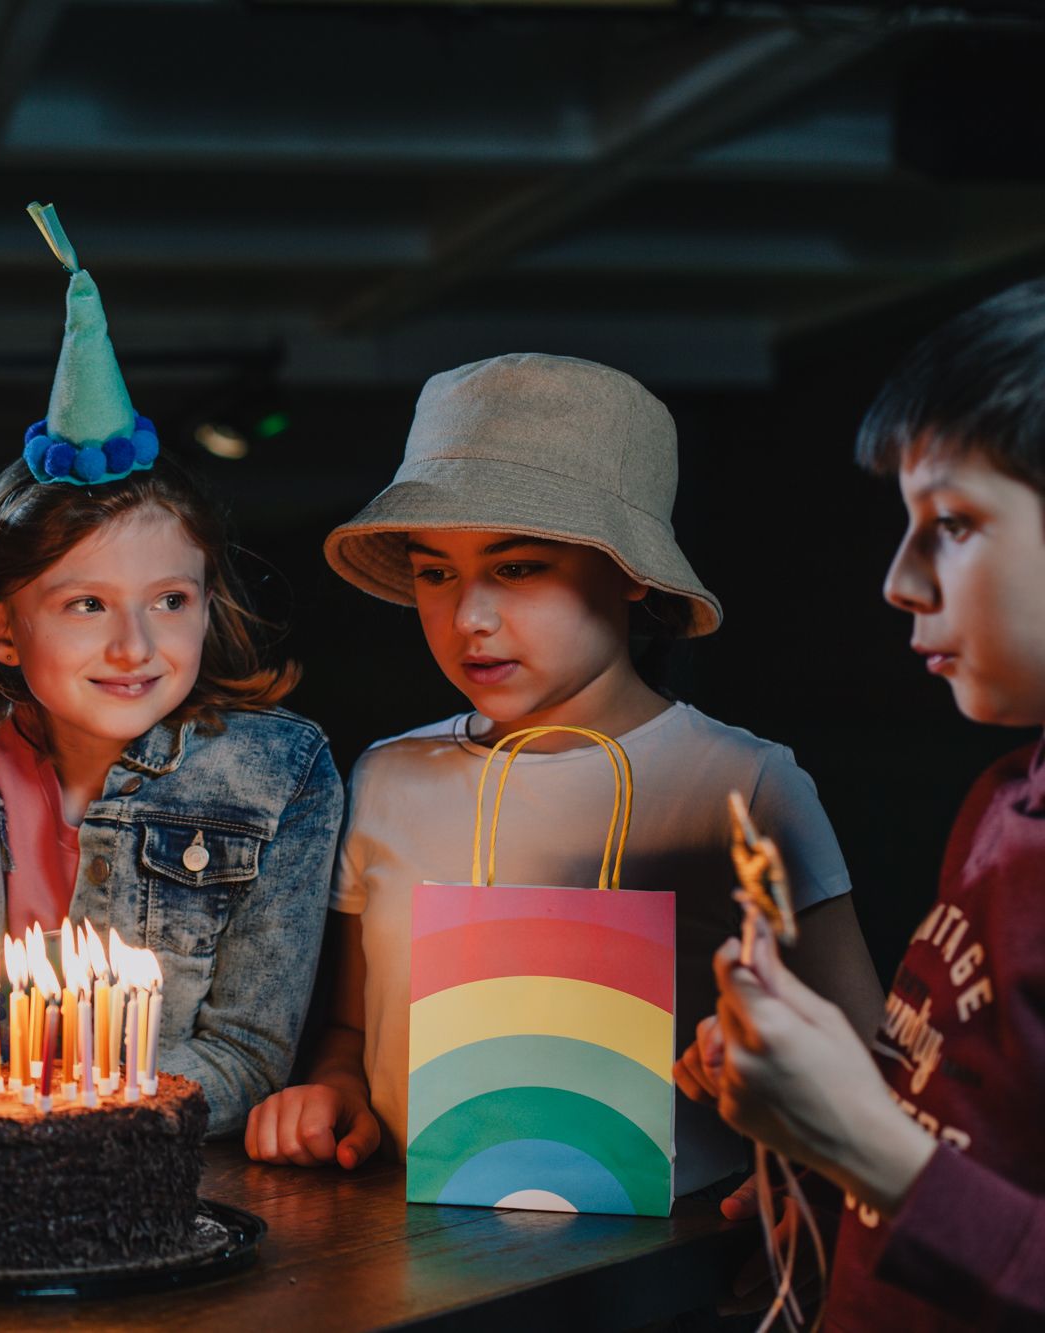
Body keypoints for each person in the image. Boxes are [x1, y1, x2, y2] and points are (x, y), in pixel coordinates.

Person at [248, 354, 884, 1211]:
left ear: (629, 570)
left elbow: (872, 1061)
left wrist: (803, 1193)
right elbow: (353, 1031)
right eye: (436, 571)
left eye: (517, 567)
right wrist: (334, 1092)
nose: (468, 617)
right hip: (416, 1263)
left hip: (660, 1271)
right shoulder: (389, 775)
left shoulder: (743, 783)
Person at [0, 206, 343, 1138]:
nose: (136, 645)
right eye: (86, 604)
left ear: (210, 604)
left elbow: (249, 1054)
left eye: (170, 600)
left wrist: (66, 1113)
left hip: (153, 1184)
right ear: (2, 628)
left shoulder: (278, 777)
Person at [685, 281, 1045, 1328]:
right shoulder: (1002, 798)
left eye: (953, 522)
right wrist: (818, 1134)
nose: (897, 578)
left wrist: (862, 1146)